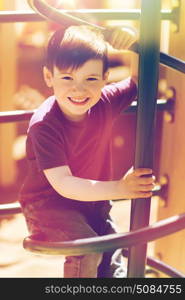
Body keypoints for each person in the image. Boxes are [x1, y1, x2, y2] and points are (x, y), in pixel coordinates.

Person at [19, 25, 155, 278]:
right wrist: (120, 188)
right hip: (49, 207)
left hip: (94, 205)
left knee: (113, 262)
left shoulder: (105, 100)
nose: (79, 90)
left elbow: (140, 79)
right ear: (49, 77)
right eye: (67, 78)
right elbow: (64, 183)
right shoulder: (44, 125)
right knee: (89, 250)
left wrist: (134, 40)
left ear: (105, 78)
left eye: (91, 79)